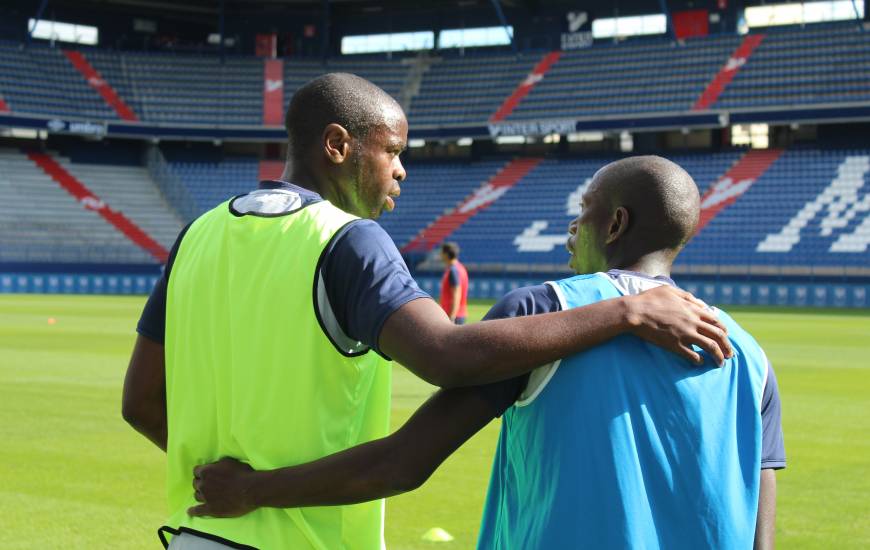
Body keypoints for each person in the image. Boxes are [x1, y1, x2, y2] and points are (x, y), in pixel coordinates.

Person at [122, 73, 731, 550]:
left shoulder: (196, 236)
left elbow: (141, 401)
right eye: (393, 151)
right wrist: (628, 310)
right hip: (307, 538)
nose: (402, 169)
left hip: (198, 533)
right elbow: (446, 356)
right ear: (338, 145)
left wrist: (224, 484)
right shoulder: (345, 239)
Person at [439, 242, 469, 324]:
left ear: (446, 254)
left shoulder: (453, 270)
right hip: (458, 315)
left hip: (454, 316)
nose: (440, 254)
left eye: (441, 252)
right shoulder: (461, 268)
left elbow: (456, 294)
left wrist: (452, 317)